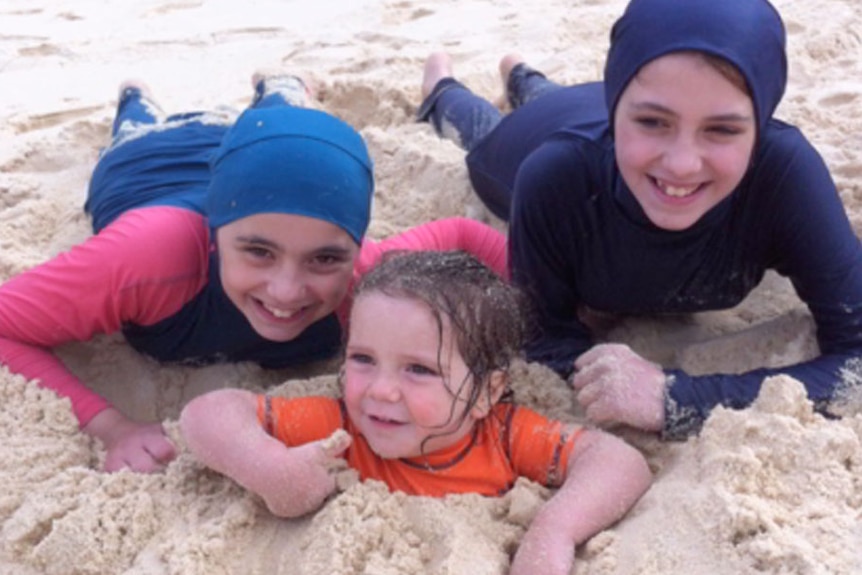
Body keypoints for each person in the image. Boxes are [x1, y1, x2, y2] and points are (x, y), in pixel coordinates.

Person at [0, 73, 508, 473]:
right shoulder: (148, 260)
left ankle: (281, 86)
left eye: (325, 259)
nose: (286, 291)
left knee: (285, 115)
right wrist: (111, 427)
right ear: (215, 237)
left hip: (264, 156)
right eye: (258, 253)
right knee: (136, 118)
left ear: (354, 251)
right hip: (148, 159)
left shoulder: (367, 277)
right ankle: (137, 92)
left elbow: (464, 236)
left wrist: (550, 313)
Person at [416, 0, 862, 439]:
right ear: (620, 111)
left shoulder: (785, 173)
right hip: (536, 134)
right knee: (480, 129)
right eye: (652, 122)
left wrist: (676, 399)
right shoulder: (554, 180)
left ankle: (525, 75)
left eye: (723, 129)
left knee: (563, 97)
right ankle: (444, 83)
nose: (683, 165)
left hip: (611, 98)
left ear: (761, 124)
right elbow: (546, 344)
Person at [180, 250, 651, 575]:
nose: (381, 390)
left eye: (419, 370)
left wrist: (554, 529)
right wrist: (270, 469)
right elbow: (208, 412)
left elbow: (618, 461)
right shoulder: (343, 426)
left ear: (487, 393)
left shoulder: (502, 435)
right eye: (363, 359)